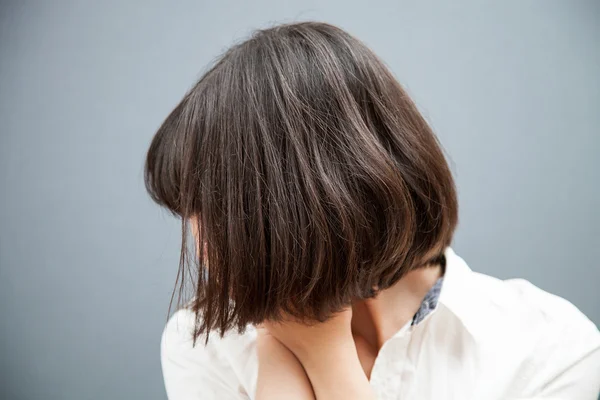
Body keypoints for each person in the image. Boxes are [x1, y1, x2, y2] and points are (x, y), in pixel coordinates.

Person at [144, 22, 600, 399]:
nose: (199, 246)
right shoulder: (201, 343)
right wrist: (277, 348)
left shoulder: (549, 348)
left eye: (217, 209)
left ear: (319, 199)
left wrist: (325, 355)